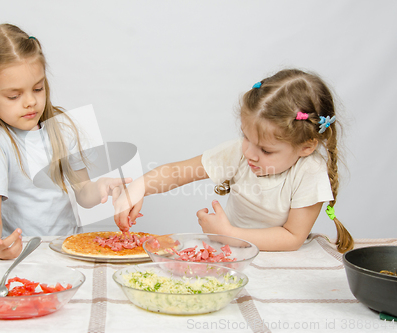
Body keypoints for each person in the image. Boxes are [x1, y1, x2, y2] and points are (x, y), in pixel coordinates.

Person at [114, 69, 353, 253]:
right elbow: (177, 172)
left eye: (266, 150)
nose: (249, 152)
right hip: (231, 257)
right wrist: (138, 187)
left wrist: (229, 234)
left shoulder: (310, 172)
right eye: (245, 137)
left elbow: (292, 238)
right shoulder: (240, 152)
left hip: (279, 265)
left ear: (306, 146)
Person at [0, 24, 129, 259]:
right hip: (21, 255)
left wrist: (101, 188)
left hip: (67, 250)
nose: (30, 102)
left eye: (38, 88)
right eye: (14, 96)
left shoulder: (63, 128)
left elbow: (84, 195)